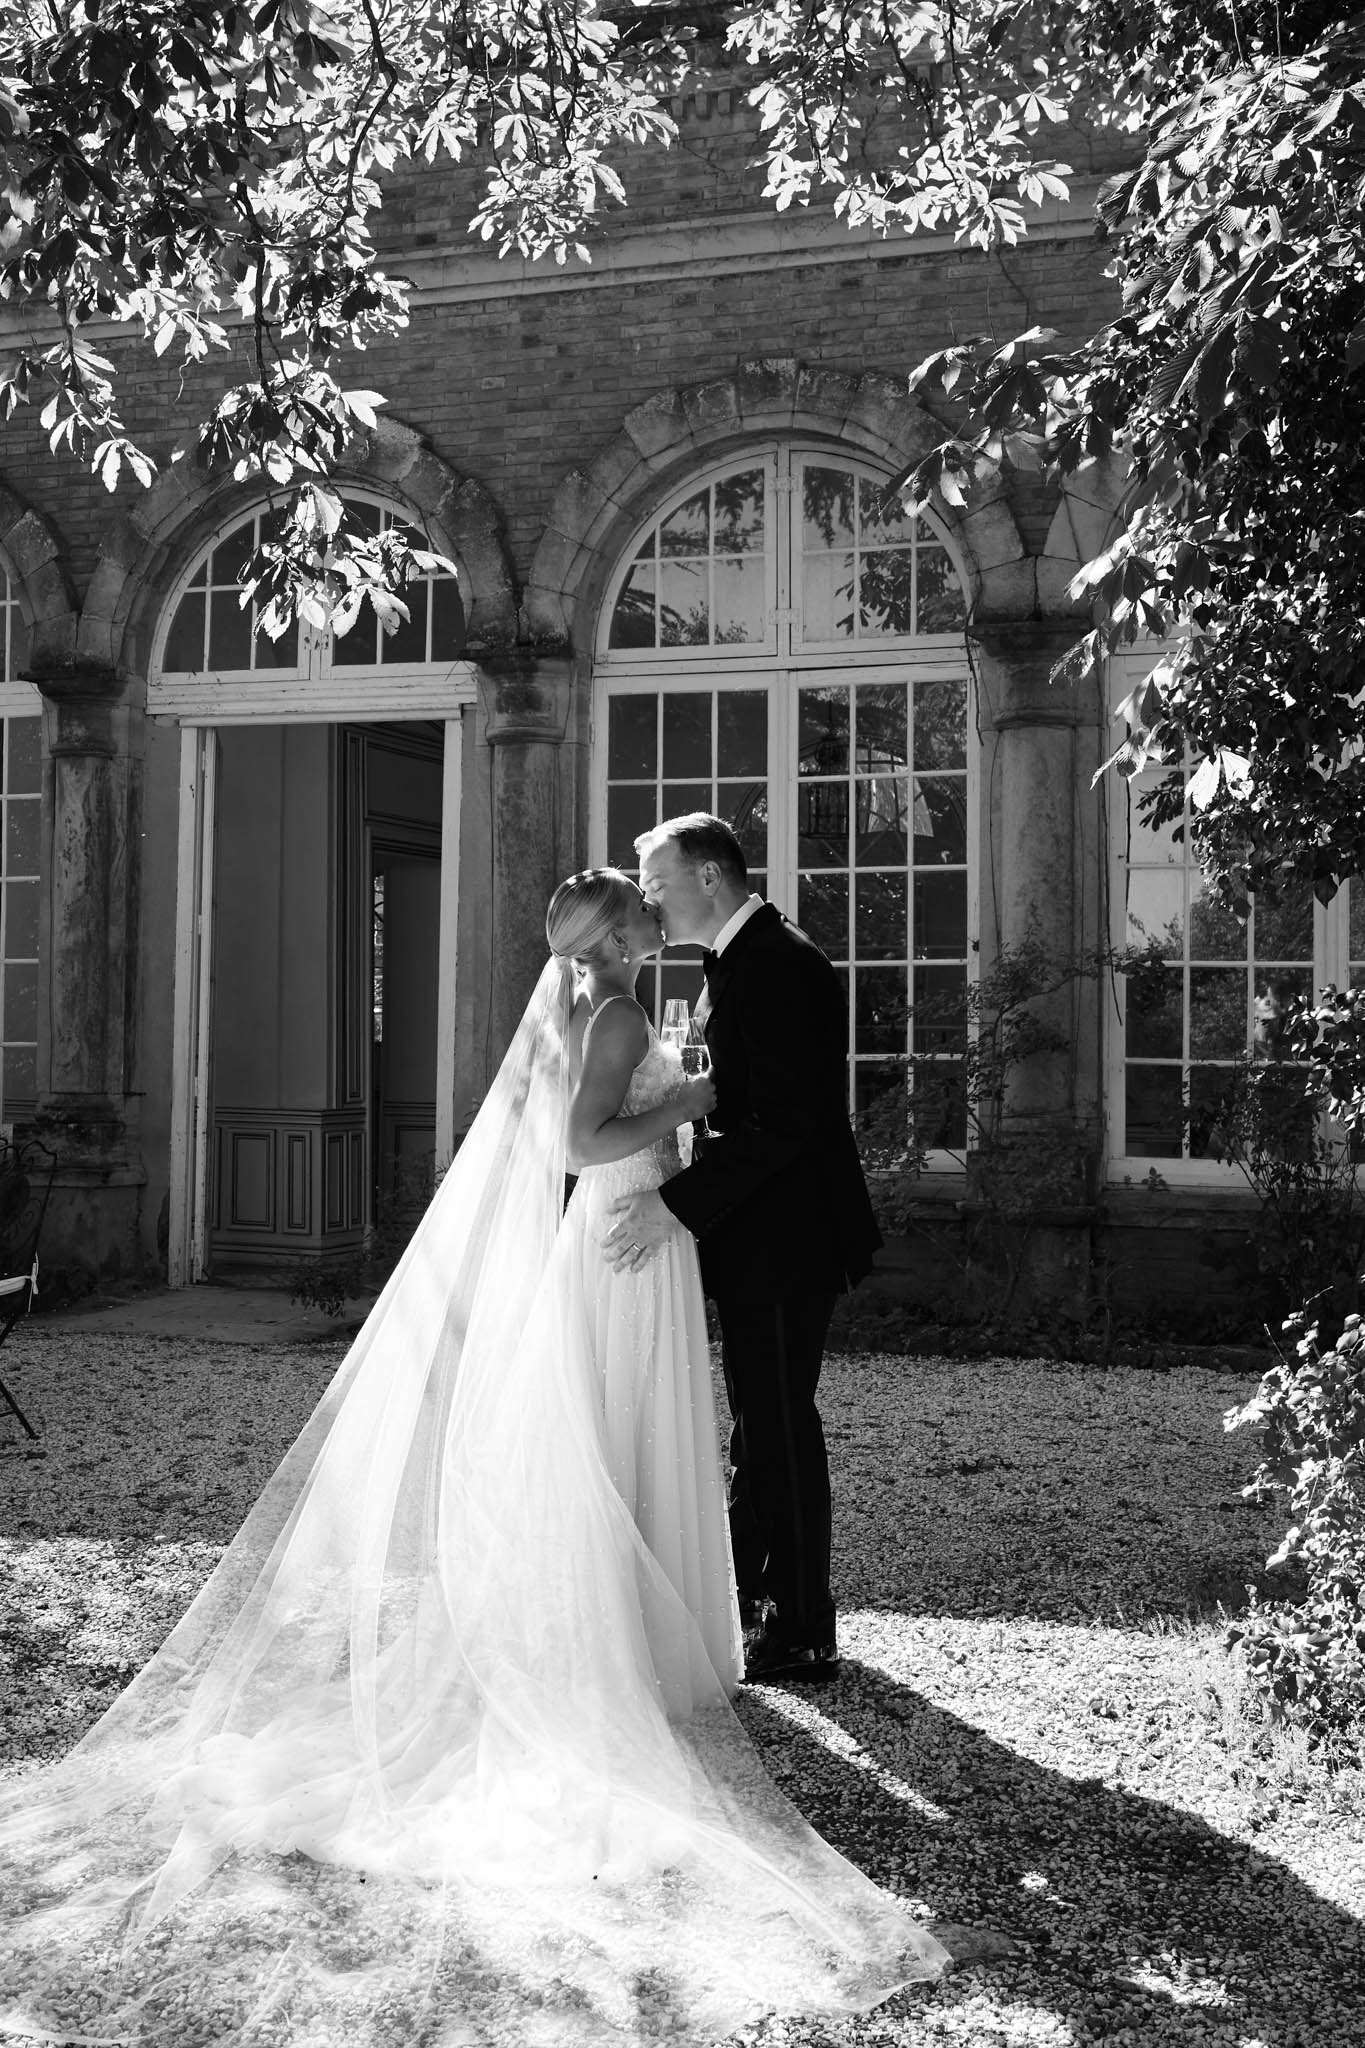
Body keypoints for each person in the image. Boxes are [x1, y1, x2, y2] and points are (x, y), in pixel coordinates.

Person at [0, 867, 945, 2048]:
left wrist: (683, 1106)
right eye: (638, 908)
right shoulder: (611, 1011)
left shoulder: (590, 1004)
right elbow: (579, 1135)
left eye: (658, 900)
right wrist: (693, 1092)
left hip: (628, 1235)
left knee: (622, 1434)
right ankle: (631, 1642)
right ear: (611, 935)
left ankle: (646, 1632)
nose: (656, 916)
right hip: (623, 1234)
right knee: (617, 1433)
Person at [609, 815, 881, 1686]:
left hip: (788, 1236)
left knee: (778, 1429)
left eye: (655, 881)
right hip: (762, 1231)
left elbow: (783, 1124)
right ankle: (759, 1606)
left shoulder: (777, 963)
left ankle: (802, 1630)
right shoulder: (738, 958)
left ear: (710, 877)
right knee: (760, 1427)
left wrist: (673, 1205)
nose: (647, 896)